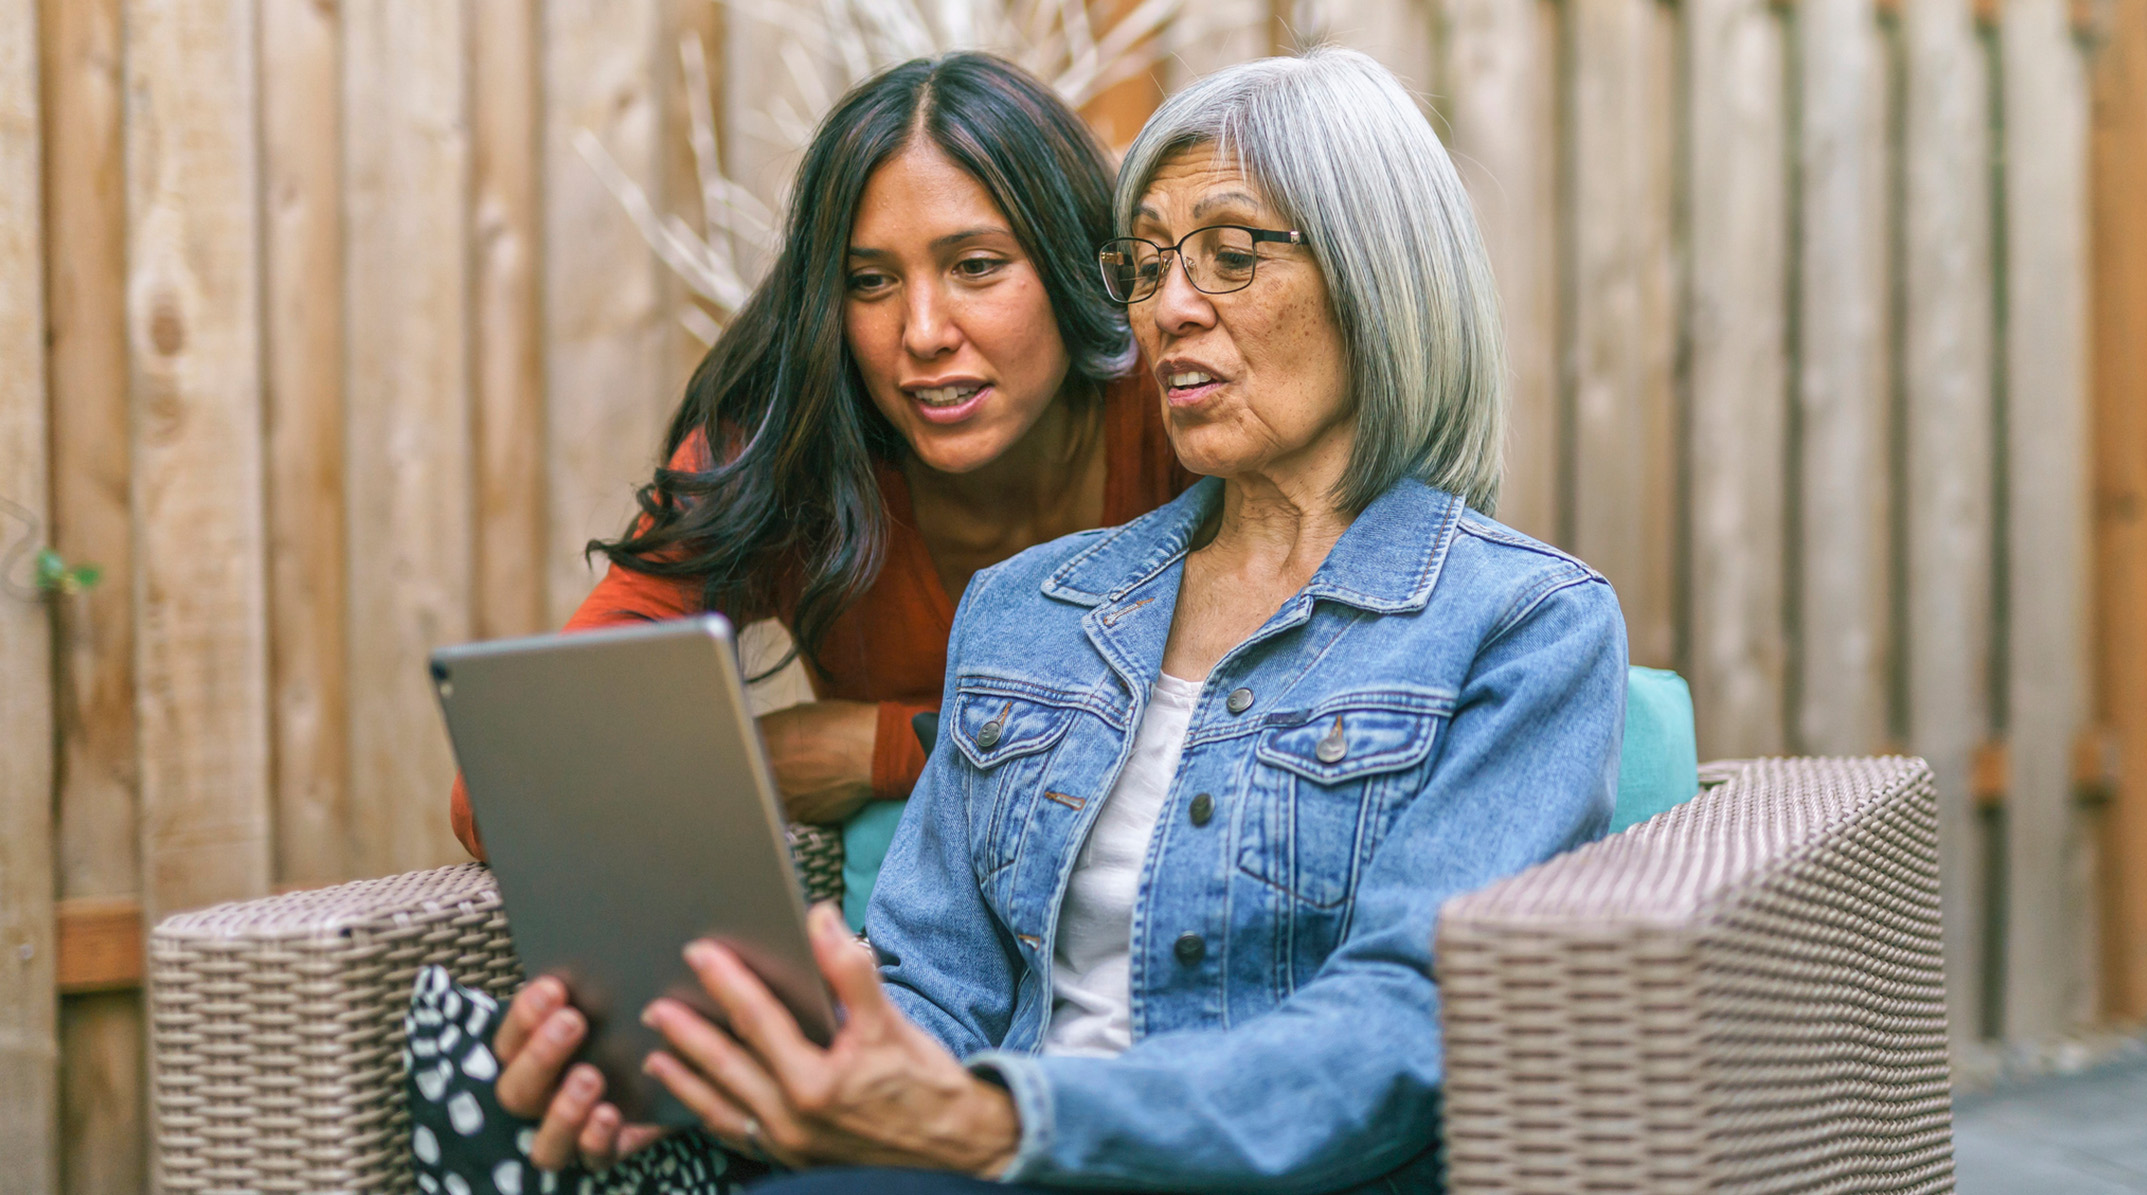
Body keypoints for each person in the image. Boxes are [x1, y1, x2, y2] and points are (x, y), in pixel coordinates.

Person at [411, 47, 1626, 1195]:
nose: (1171, 309)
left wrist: (990, 1118)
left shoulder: (1525, 625)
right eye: (1147, 267)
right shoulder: (1030, 606)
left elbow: (1395, 1034)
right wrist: (719, 1068)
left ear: (1381, 273)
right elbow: (928, 988)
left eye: (1231, 253)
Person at [444, 51, 1189, 866]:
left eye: (976, 266)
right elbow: (502, 793)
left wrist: (877, 747)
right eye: (870, 281)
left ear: (1072, 260)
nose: (924, 332)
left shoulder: (1178, 408)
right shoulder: (792, 446)